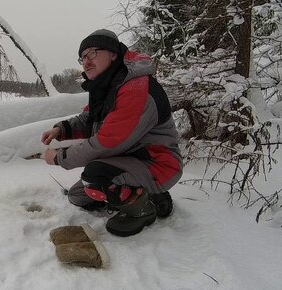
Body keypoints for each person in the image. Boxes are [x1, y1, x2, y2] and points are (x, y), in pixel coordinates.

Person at [41, 29, 183, 237]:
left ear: (113, 54)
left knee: (96, 177)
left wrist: (59, 158)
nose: (86, 61)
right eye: (82, 57)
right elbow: (89, 120)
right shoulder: (109, 87)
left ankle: (144, 209)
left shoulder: (136, 89)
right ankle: (146, 195)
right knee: (78, 196)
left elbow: (107, 142)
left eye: (92, 53)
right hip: (127, 160)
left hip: (157, 164)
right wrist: (60, 129)